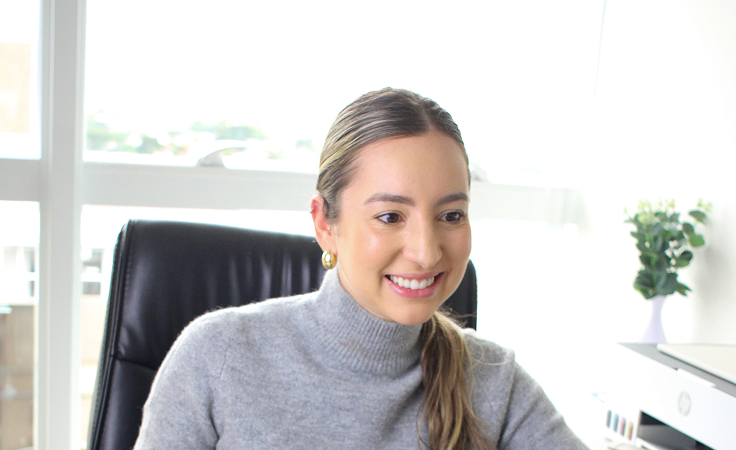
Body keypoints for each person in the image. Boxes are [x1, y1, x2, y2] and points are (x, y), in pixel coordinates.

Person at [134, 88, 588, 450]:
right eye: (390, 216)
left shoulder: (493, 379)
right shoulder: (217, 356)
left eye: (451, 215)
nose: (426, 253)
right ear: (324, 224)